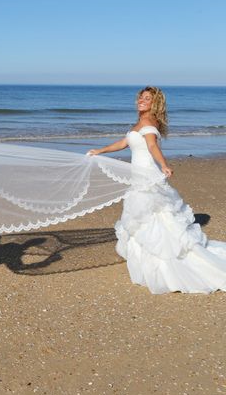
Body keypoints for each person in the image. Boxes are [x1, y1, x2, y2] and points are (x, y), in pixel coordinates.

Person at [88, 86, 226, 293]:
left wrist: (163, 165)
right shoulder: (140, 122)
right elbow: (124, 143)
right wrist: (100, 150)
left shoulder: (148, 121)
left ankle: (161, 260)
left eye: (147, 99)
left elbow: (152, 147)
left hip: (146, 174)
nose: (141, 101)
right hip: (139, 175)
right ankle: (147, 256)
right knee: (144, 214)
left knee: (150, 214)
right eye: (140, 98)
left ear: (155, 103)